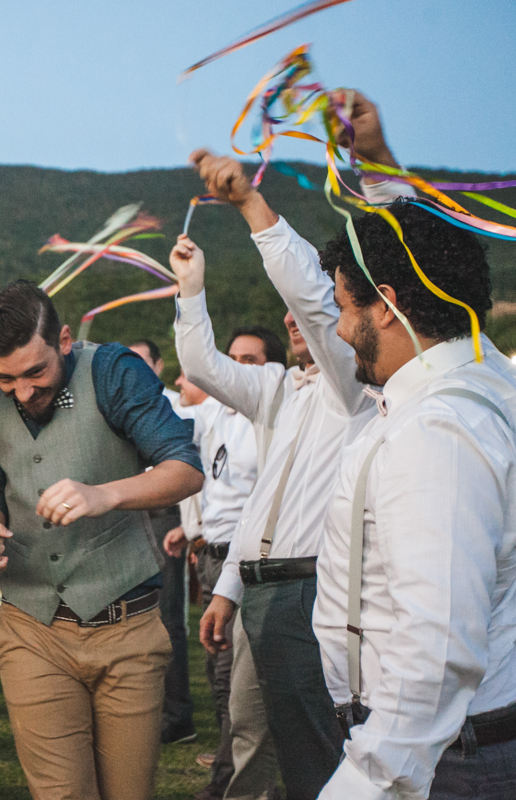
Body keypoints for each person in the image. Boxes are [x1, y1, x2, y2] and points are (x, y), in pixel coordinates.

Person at [174, 131, 410, 797]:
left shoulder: (353, 387)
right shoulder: (280, 389)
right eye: (297, 317)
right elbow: (200, 368)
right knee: (251, 734)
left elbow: (310, 292)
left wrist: (251, 204)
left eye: (324, 312)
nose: (306, 319)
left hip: (314, 588)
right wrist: (191, 291)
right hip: (259, 584)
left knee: (315, 748)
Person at [299, 95, 516, 799]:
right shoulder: (478, 371)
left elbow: (435, 653)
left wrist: (366, 785)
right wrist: (378, 167)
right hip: (448, 747)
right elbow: (433, 267)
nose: (334, 329)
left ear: (385, 306)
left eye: (341, 306)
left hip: (443, 760)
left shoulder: (438, 433)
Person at [0, 280, 204, 800]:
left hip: (128, 627)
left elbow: (185, 468)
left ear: (64, 339)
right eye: (6, 378)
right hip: (31, 628)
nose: (22, 391)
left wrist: (104, 494)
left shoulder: (112, 371)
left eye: (35, 372)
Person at [165, 357, 268, 800]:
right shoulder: (214, 414)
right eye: (234, 359)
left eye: (251, 360)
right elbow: (165, 412)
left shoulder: (265, 417)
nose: (238, 368)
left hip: (249, 561)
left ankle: (228, 781)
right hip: (213, 557)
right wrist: (193, 534)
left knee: (234, 675)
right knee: (219, 670)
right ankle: (232, 765)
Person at [127, 338, 196, 747]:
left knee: (167, 617)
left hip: (166, 516)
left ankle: (178, 715)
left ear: (157, 365)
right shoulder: (115, 406)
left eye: (140, 363)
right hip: (125, 517)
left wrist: (186, 523)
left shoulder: (178, 406)